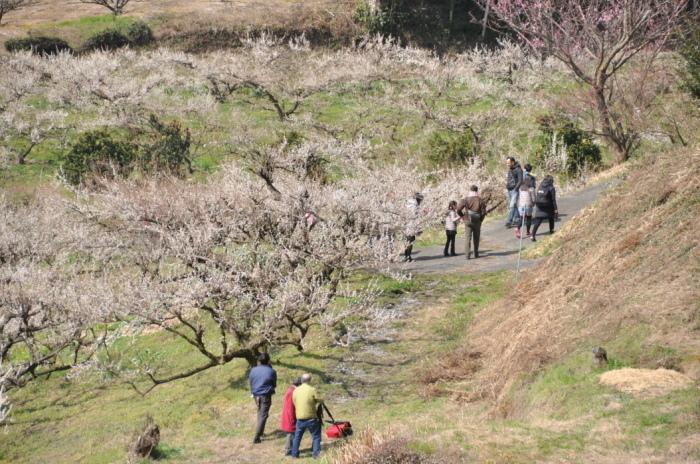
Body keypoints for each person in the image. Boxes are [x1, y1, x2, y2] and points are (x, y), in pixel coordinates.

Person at [291, 373, 324, 459]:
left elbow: (294, 402)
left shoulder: (295, 391)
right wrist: (321, 400)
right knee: (316, 437)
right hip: (311, 418)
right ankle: (316, 455)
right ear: (310, 380)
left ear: (302, 380)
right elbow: (318, 399)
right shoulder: (312, 389)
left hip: (300, 418)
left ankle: (294, 454)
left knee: (297, 437)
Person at [248, 353, 277, 444]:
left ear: (259, 361)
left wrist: (254, 392)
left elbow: (251, 382)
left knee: (260, 412)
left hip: (256, 394)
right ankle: (257, 437)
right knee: (263, 414)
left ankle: (260, 431)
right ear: (268, 361)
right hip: (265, 394)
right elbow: (274, 384)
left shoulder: (253, 370)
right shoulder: (272, 371)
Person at [456, 185, 488, 259]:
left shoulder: (465, 199)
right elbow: (483, 212)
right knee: (476, 238)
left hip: (468, 220)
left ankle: (467, 255)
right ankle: (476, 254)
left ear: (470, 190)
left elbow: (458, 209)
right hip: (477, 221)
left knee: (468, 238)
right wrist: (481, 220)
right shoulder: (480, 200)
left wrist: (463, 217)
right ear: (477, 191)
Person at [531, 175, 558, 241]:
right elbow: (553, 199)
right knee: (551, 217)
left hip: (539, 205)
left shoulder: (540, 186)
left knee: (538, 220)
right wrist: (556, 209)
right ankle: (551, 231)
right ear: (551, 181)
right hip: (547, 205)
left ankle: (532, 235)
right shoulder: (551, 187)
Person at [281, 377, 302, 456]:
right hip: (290, 415)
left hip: (288, 414)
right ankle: (288, 450)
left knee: (291, 433)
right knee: (291, 433)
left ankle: (290, 448)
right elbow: (291, 407)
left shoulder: (290, 390)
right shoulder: (293, 391)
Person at [403, 192, 424, 262]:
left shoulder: (408, 204)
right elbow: (415, 217)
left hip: (406, 226)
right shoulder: (414, 206)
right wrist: (418, 228)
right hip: (412, 226)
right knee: (410, 242)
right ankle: (408, 256)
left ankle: (406, 256)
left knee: (407, 241)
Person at [515, 171, 535, 239]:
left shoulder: (520, 188)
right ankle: (528, 232)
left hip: (521, 205)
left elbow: (518, 197)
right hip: (528, 205)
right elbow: (534, 198)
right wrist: (533, 203)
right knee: (529, 218)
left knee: (521, 218)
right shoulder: (531, 189)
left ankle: (517, 228)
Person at [505, 157, 523, 228]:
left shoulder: (518, 169)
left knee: (511, 206)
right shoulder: (510, 169)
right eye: (507, 163)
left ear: (512, 162)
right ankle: (518, 219)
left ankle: (509, 221)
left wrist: (516, 189)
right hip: (509, 189)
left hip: (514, 190)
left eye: (508, 163)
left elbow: (520, 180)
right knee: (514, 205)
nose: (507, 164)